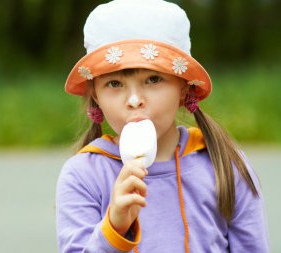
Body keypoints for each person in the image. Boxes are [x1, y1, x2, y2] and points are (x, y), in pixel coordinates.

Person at [56, 0, 269, 252]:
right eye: (114, 84)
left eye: (153, 79)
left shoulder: (226, 166)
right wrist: (114, 227)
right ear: (95, 96)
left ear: (184, 87)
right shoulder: (82, 175)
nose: (134, 100)